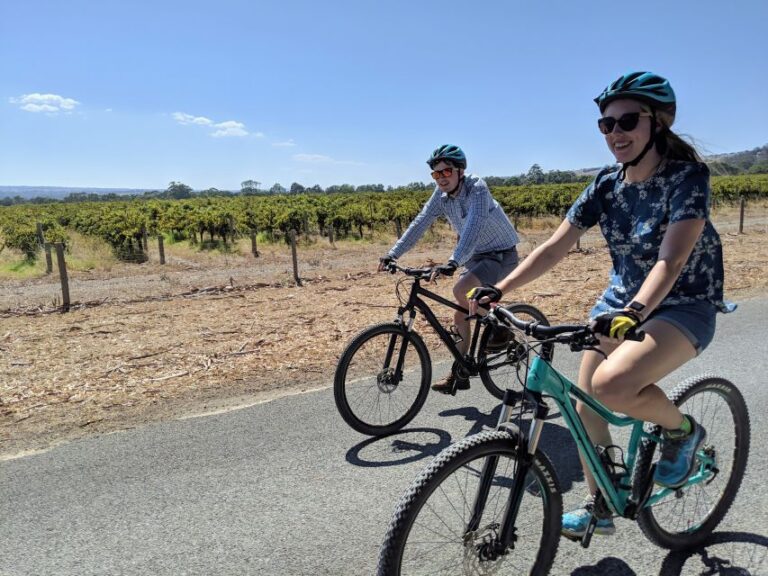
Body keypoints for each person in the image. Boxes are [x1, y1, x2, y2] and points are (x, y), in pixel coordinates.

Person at [469, 72, 733, 538]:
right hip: (620, 305)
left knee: (612, 386)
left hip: (683, 303)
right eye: (605, 125)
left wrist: (635, 311)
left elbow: (671, 261)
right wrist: (502, 288)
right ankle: (600, 505)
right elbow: (554, 247)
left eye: (627, 121)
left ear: (658, 124)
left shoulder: (686, 178)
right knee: (585, 402)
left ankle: (683, 432)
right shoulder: (607, 183)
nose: (615, 134)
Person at [378, 144, 521, 394]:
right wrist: (393, 253)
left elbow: (473, 226)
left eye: (446, 172)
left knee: (461, 290)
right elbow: (420, 222)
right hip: (476, 256)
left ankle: (502, 329)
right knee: (460, 314)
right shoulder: (441, 196)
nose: (441, 177)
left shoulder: (477, 188)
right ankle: (460, 372)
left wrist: (453, 261)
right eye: (436, 174)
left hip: (501, 254)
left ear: (460, 171)